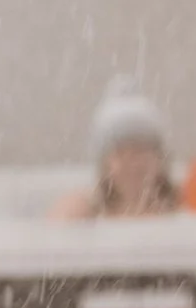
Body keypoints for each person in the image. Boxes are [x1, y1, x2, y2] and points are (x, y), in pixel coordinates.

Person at [58, 82, 178, 220]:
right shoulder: (83, 209)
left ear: (160, 159)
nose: (133, 163)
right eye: (121, 153)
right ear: (105, 165)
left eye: (141, 150)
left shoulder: (184, 204)